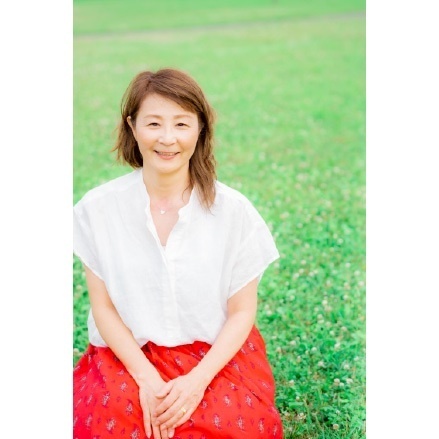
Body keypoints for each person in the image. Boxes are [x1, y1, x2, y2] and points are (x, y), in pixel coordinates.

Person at [73, 68, 284, 439]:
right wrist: (147, 379)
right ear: (132, 126)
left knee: (235, 427)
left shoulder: (234, 212)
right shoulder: (98, 209)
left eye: (182, 124)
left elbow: (241, 312)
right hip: (128, 355)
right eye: (154, 123)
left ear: (200, 129)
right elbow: (103, 308)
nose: (167, 138)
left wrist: (197, 382)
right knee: (111, 424)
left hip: (213, 356)